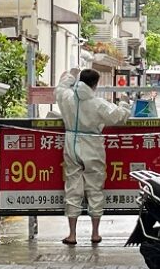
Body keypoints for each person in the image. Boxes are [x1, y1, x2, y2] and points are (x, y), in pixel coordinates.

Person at [55, 67, 131, 246]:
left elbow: (59, 88)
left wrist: (70, 75)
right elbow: (120, 117)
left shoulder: (66, 98)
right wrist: (124, 102)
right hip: (93, 147)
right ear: (95, 84)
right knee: (95, 189)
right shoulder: (97, 104)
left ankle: (72, 235)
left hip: (71, 144)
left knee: (73, 188)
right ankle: (95, 233)